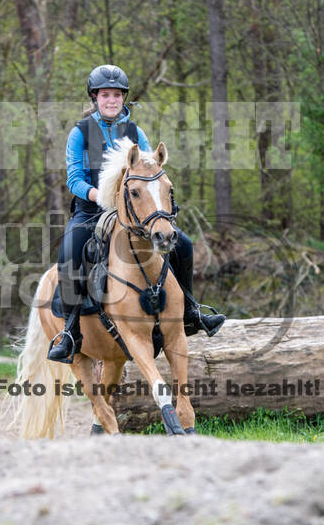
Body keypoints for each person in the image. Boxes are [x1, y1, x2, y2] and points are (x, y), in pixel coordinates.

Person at [48, 64, 225, 362]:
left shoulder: (135, 131)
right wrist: (100, 196)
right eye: (106, 95)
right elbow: (74, 179)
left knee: (183, 244)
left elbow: (149, 170)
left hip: (133, 211)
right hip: (91, 210)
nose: (112, 101)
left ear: (123, 98)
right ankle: (70, 330)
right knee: (70, 249)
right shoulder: (79, 132)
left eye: (117, 95)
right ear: (95, 97)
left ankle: (191, 311)